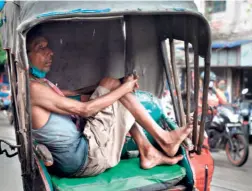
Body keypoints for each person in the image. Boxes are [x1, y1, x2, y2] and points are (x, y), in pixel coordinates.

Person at [28, 31, 192, 177]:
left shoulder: (41, 84)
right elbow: (84, 110)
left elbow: (74, 93)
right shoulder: (33, 89)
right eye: (40, 48)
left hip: (76, 155)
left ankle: (149, 150)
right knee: (117, 92)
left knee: (112, 86)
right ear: (24, 55)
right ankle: (162, 140)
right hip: (83, 159)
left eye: (47, 47)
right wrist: (123, 88)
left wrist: (118, 84)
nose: (50, 52)